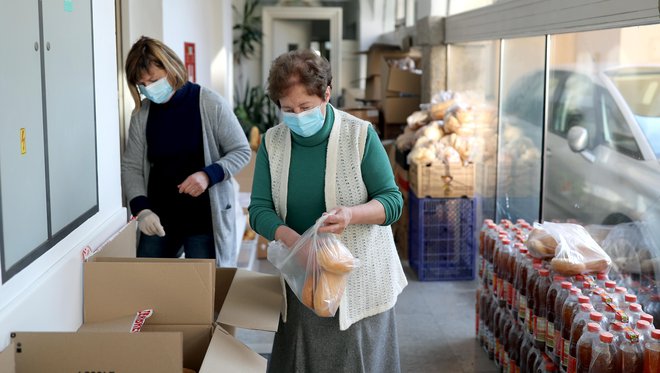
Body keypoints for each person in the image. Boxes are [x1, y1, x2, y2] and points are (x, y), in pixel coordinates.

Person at [248, 49, 408, 373]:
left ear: (326, 94)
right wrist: (294, 241)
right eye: (288, 110)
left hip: (358, 283)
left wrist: (351, 215)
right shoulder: (272, 143)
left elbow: (392, 201)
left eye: (305, 107)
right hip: (303, 281)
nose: (296, 116)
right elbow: (259, 209)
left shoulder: (359, 135)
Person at [121, 36, 251, 267]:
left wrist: (207, 175)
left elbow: (241, 151)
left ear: (171, 69)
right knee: (149, 284)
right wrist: (142, 211)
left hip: (203, 221)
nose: (149, 89)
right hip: (158, 219)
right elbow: (131, 166)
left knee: (202, 293)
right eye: (143, 84)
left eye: (154, 80)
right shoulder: (141, 115)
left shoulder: (209, 103)